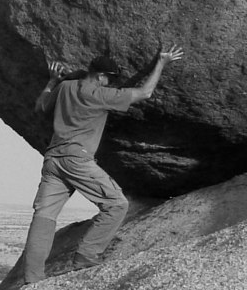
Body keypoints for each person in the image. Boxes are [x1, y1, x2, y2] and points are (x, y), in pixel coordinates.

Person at [20, 44, 186, 285]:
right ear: (100, 76)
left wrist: (52, 81)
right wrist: (161, 62)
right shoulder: (100, 95)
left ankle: (33, 279)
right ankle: (86, 256)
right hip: (78, 160)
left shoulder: (65, 87)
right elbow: (145, 93)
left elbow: (40, 107)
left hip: (53, 160)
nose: (111, 83)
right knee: (117, 204)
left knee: (44, 215)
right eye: (110, 79)